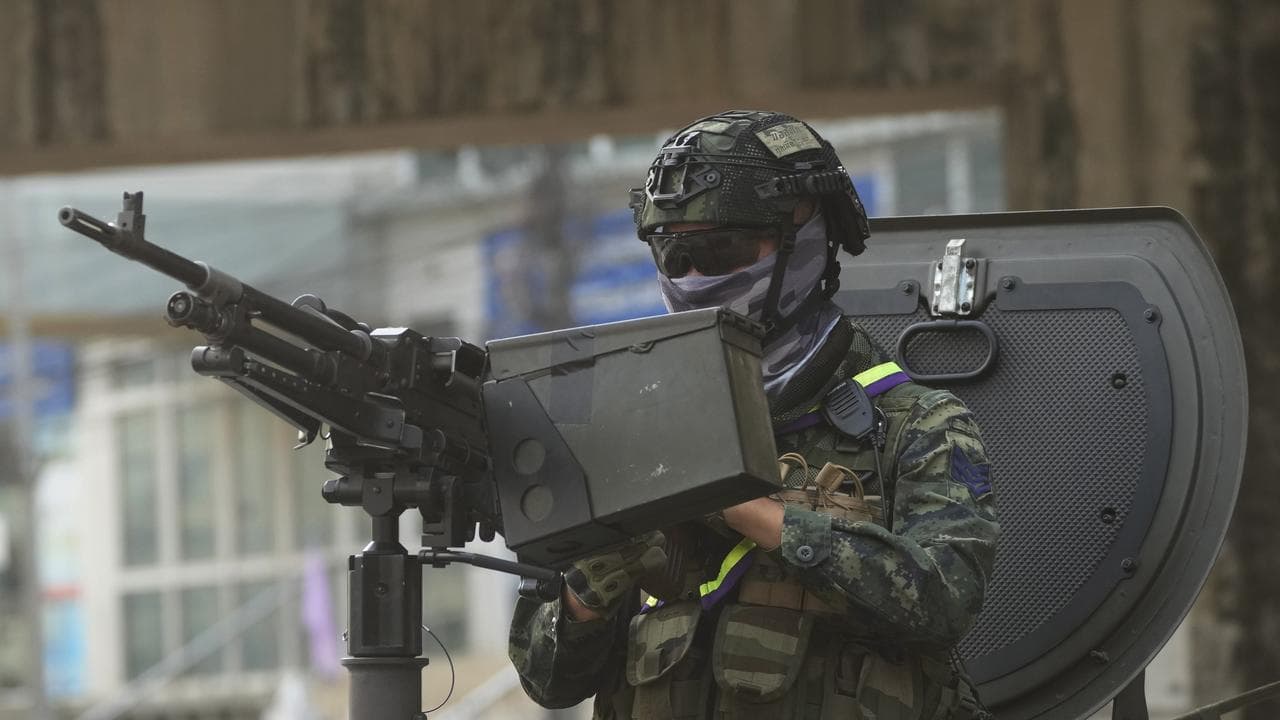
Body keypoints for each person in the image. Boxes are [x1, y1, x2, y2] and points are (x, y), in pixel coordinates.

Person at [509, 110, 1000, 719]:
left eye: (723, 249)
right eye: (674, 254)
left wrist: (744, 507)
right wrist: (590, 587)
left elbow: (945, 602)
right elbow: (547, 681)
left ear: (809, 241)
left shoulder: (914, 425)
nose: (694, 277)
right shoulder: (632, 430)